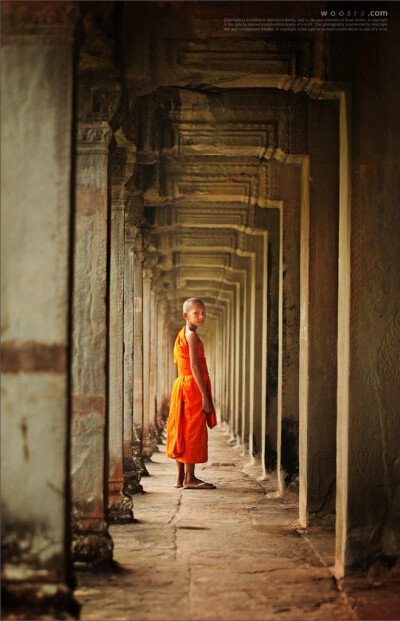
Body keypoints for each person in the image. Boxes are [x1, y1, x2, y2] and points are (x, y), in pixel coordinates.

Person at [166, 298, 217, 489]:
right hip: (192, 386)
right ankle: (190, 479)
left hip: (181, 384)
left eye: (203, 312)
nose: (201, 316)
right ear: (185, 315)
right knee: (192, 430)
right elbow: (194, 366)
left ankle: (180, 478)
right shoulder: (191, 336)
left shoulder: (183, 333)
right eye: (196, 313)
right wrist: (204, 394)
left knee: (181, 427)